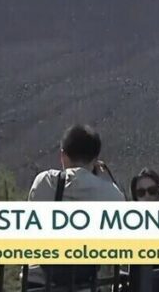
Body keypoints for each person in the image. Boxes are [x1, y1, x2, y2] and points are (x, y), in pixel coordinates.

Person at [26, 124, 126, 290]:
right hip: (83, 285)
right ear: (95, 160)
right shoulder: (112, 194)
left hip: (39, 283)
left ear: (63, 155)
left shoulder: (44, 182)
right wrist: (104, 178)